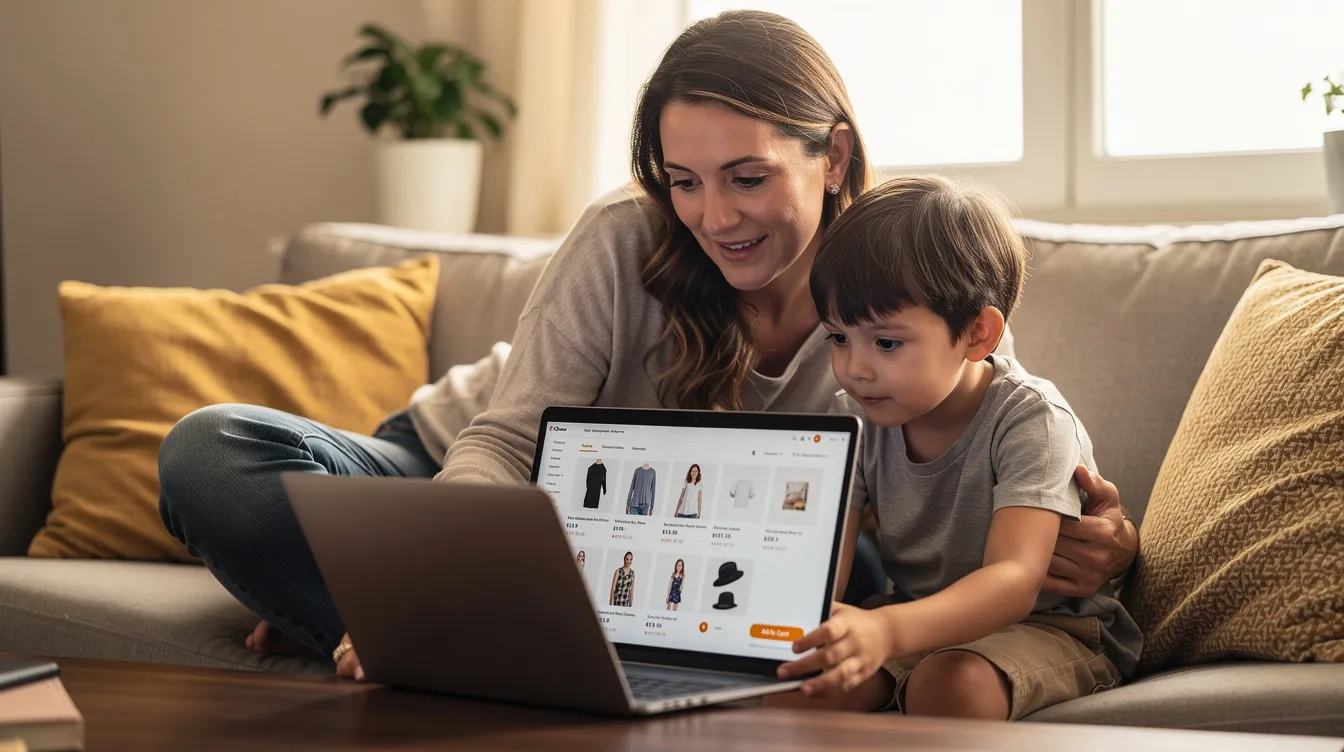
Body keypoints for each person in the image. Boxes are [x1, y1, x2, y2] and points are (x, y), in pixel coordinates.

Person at [156, 10, 1137, 682]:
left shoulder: (890, 274)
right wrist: (428, 577)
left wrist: (1090, 539)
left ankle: (377, 624)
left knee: (826, 593)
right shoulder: (625, 238)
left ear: (831, 155)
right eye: (685, 180)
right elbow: (502, 444)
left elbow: (978, 416)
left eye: (747, 177)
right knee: (212, 454)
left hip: (637, 547)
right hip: (462, 475)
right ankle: (420, 626)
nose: (715, 216)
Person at [773, 176, 1143, 718]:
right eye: (839, 338)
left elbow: (1014, 581)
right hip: (915, 618)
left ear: (976, 334)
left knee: (950, 685)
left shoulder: (1030, 419)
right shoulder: (854, 415)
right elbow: (824, 560)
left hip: (1049, 627)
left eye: (887, 342)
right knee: (796, 685)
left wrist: (884, 627)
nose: (854, 368)